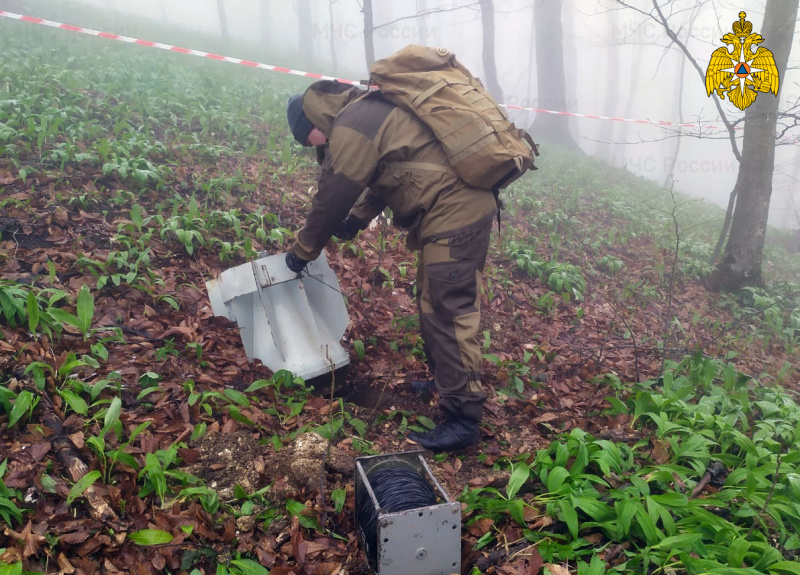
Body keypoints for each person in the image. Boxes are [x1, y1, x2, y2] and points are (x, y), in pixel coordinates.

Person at [284, 80, 497, 452]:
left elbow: (335, 191)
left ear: (310, 121)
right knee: (433, 303)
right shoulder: (365, 111)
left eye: (309, 140)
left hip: (454, 213)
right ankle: (447, 385)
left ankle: (464, 420)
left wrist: (303, 249)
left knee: (449, 311)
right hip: (450, 210)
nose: (314, 146)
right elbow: (392, 172)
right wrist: (358, 219)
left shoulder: (351, 122)